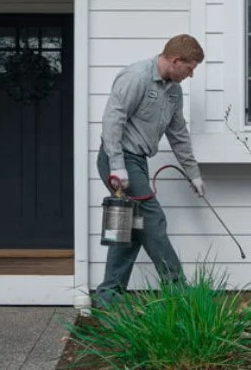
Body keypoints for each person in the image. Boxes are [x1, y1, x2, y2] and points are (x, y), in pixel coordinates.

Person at [95, 34, 206, 307]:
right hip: (119, 159)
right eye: (190, 69)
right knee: (153, 220)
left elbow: (178, 134)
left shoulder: (173, 91)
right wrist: (118, 166)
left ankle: (109, 293)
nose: (190, 75)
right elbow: (112, 121)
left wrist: (193, 172)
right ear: (176, 61)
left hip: (138, 162)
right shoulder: (136, 77)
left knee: (132, 229)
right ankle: (179, 291)